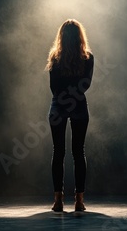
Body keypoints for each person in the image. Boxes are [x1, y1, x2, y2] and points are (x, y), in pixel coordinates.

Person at [45, 19, 94, 212]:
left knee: (58, 152)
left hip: (59, 105)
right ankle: (79, 201)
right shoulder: (88, 57)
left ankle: (58, 200)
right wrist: (74, 97)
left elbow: (53, 88)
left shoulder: (55, 57)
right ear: (80, 36)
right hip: (79, 106)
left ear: (61, 37)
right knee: (78, 152)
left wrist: (64, 99)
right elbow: (86, 84)